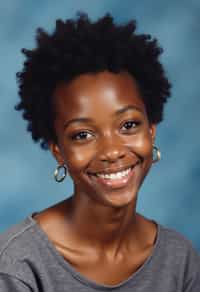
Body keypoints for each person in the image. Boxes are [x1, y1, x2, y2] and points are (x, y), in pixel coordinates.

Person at [0, 12, 199, 292]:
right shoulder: (18, 264)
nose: (112, 151)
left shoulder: (179, 259)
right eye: (83, 135)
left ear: (151, 130)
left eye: (128, 125)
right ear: (59, 151)